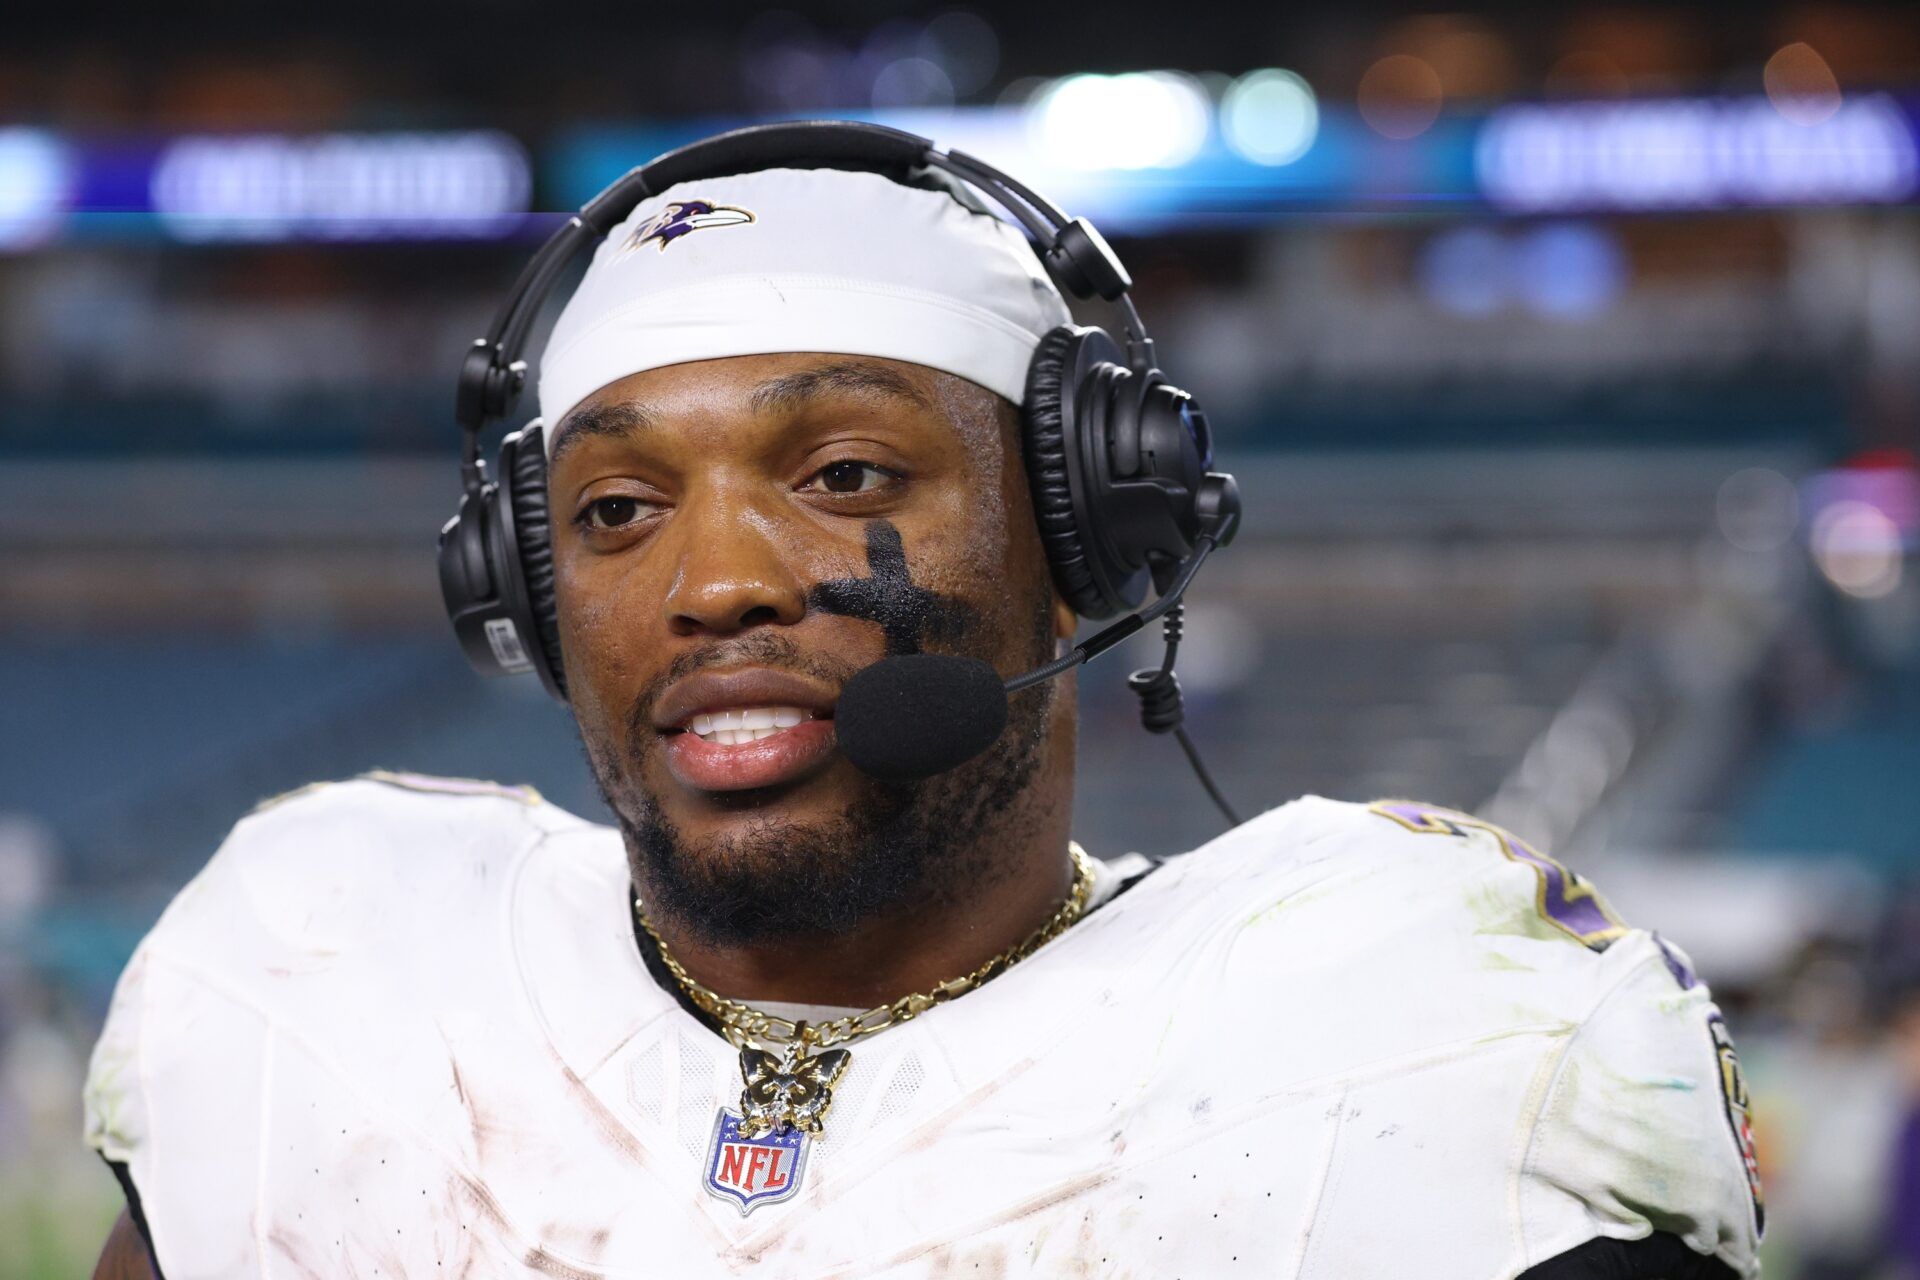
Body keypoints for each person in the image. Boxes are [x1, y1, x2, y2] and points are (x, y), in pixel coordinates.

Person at [86, 128, 1764, 1278]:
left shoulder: (1414, 1036)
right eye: (617, 510)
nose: (714, 583)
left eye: (843, 474)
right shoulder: (332, 979)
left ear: (1089, 535)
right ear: (522, 593)